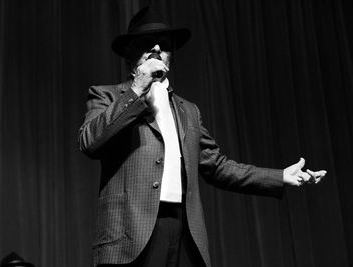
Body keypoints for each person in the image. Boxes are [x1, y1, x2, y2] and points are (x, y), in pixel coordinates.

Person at [79, 6, 326, 267]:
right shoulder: (107, 95)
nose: (155, 49)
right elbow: (90, 141)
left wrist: (279, 176)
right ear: (130, 55)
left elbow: (218, 166)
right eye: (145, 44)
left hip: (184, 232)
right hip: (130, 236)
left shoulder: (188, 110)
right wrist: (138, 88)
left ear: (171, 55)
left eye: (163, 44)